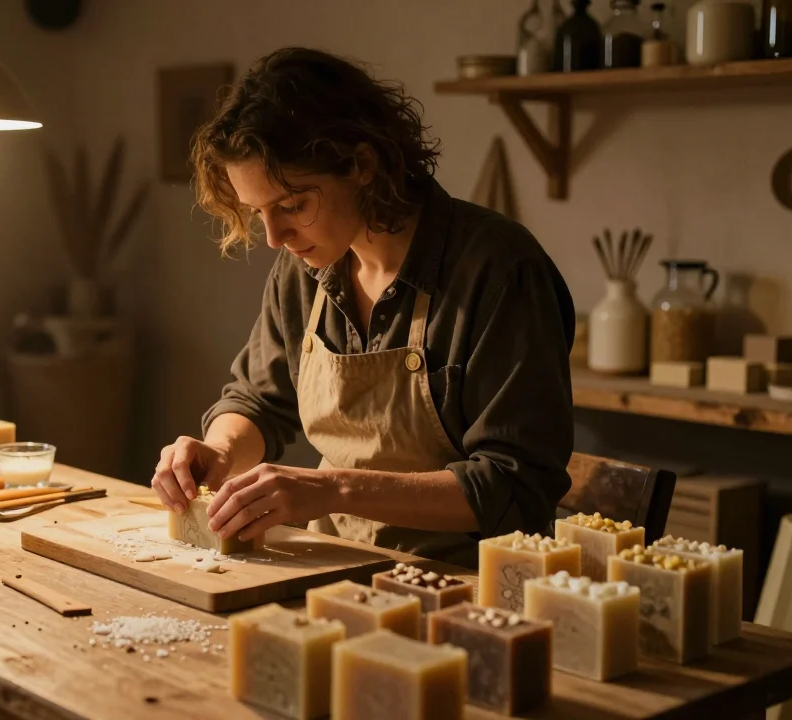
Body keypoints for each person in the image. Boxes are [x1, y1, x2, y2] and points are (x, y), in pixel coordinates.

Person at [149, 47, 576, 567]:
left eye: (292, 205)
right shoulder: (304, 267)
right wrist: (219, 451)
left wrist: (333, 490)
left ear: (362, 164)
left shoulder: (498, 269)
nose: (274, 237)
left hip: (471, 587)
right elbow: (261, 400)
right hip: (335, 564)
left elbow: (517, 483)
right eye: (257, 212)